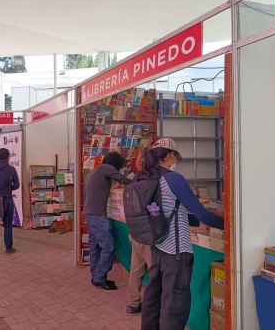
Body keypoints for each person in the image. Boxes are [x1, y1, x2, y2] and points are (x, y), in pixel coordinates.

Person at [140, 138, 224, 330]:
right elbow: (200, 213)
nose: (176, 161)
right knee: (175, 303)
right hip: (177, 251)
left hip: (157, 245)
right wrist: (227, 225)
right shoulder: (173, 179)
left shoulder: (145, 177)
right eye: (176, 156)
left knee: (154, 295)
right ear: (169, 155)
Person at [84, 152, 131, 290]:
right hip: (98, 215)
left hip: (90, 213)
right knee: (109, 246)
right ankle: (99, 277)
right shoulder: (107, 168)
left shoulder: (94, 172)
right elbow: (125, 181)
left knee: (95, 246)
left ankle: (95, 276)